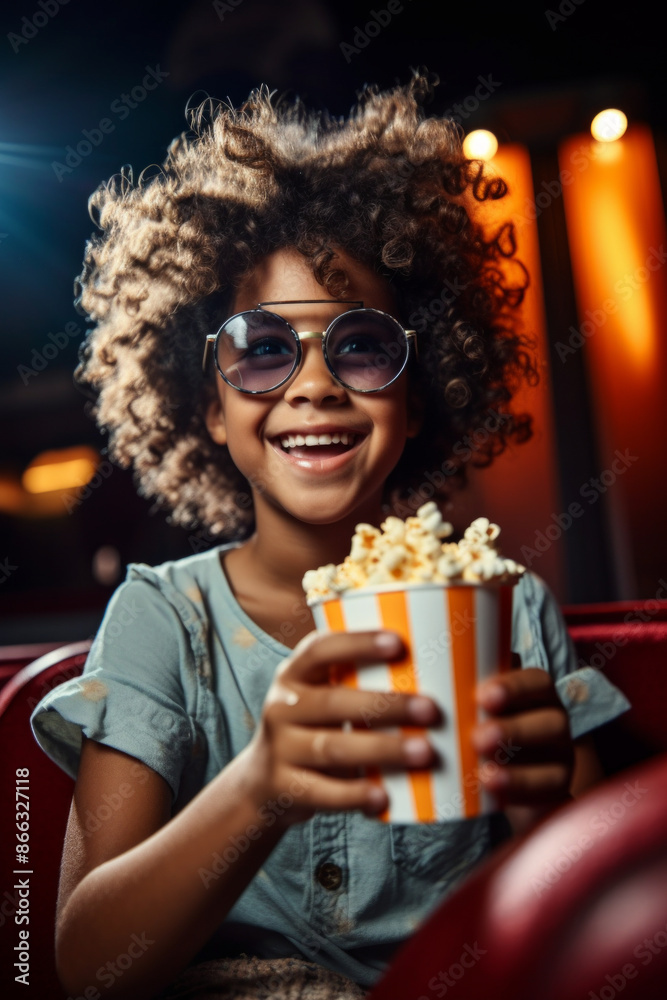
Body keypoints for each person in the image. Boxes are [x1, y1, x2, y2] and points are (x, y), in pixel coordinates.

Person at [31, 71, 629, 1000]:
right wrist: (262, 783)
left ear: (420, 396)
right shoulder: (162, 622)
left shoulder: (510, 613)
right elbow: (85, 966)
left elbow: (608, 937)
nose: (313, 385)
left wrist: (547, 797)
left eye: (360, 346)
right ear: (210, 408)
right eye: (262, 349)